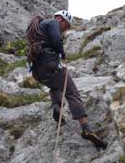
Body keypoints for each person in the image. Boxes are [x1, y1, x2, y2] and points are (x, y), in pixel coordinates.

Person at [26, 10, 107, 149]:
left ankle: (57, 107)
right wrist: (62, 53)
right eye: (66, 26)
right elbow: (57, 40)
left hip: (37, 71)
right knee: (72, 92)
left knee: (55, 86)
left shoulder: (37, 30)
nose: (65, 30)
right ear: (61, 19)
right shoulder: (53, 22)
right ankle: (86, 128)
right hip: (50, 63)